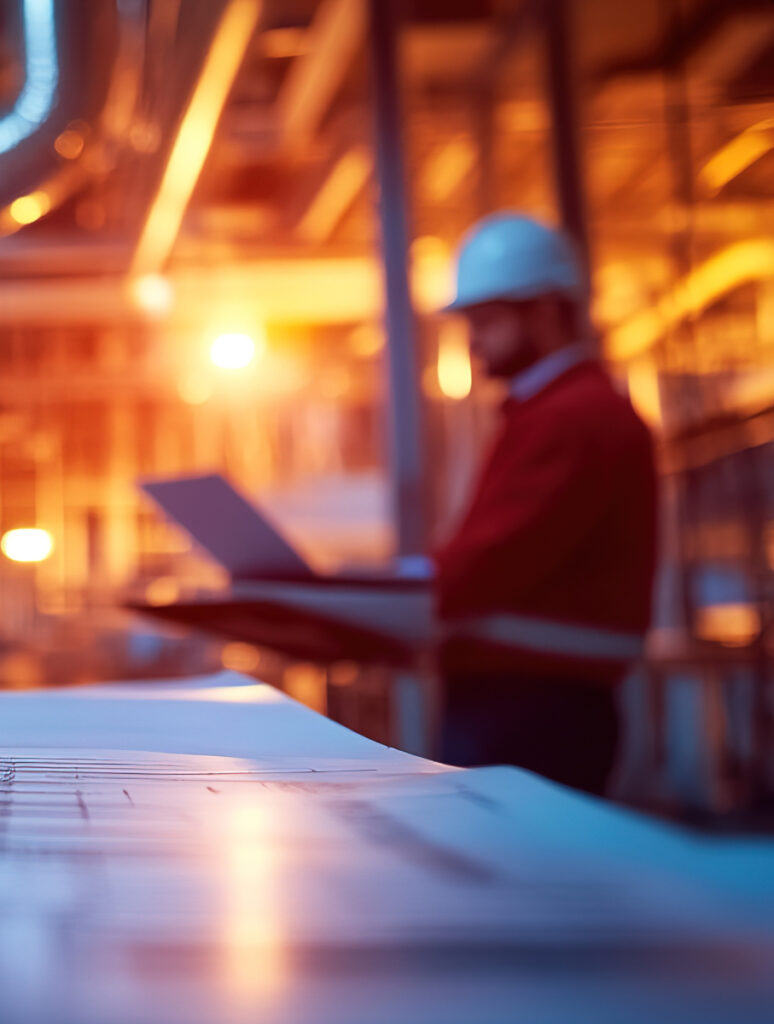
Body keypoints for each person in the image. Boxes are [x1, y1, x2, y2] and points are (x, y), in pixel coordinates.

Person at [434, 212, 657, 796]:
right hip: (538, 705)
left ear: (548, 310)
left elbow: (485, 567)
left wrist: (371, 601)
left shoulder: (572, 419)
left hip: (530, 711)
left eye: (486, 318)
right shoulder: (557, 413)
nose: (472, 339)